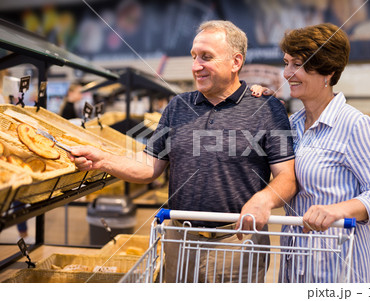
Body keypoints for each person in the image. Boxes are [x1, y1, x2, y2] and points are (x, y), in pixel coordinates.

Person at [70, 20, 297, 283]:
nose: (196, 66)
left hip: (236, 244)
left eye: (206, 57)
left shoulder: (268, 109)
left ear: (236, 62)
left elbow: (287, 177)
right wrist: (103, 160)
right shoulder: (177, 107)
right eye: (194, 56)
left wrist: (264, 200)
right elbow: (148, 166)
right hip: (180, 241)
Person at [251, 23, 370, 283]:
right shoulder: (291, 125)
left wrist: (339, 210)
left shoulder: (355, 125)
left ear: (327, 70)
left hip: (337, 268)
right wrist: (258, 107)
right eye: (286, 63)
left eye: (297, 64)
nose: (287, 73)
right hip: (294, 265)